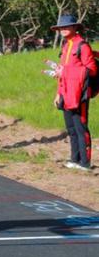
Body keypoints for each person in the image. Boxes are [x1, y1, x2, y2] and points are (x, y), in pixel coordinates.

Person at [52, 14, 97, 172]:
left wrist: (67, 71)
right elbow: (61, 74)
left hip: (80, 94)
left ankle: (85, 163)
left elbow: (91, 70)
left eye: (66, 26)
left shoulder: (82, 46)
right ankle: (74, 159)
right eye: (60, 27)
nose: (63, 29)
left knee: (80, 127)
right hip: (65, 93)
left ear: (74, 27)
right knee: (70, 128)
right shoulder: (65, 45)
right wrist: (58, 93)